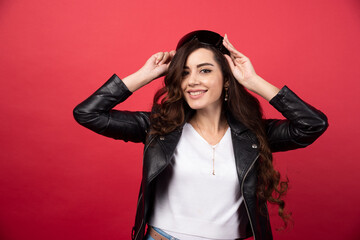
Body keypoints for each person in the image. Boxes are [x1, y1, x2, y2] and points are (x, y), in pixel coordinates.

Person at [73, 30, 328, 240]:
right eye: (184, 72)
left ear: (226, 79)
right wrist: (144, 75)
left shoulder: (252, 134)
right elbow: (88, 114)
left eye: (205, 70)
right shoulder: (159, 127)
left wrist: (252, 80)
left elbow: (312, 125)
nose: (192, 80)